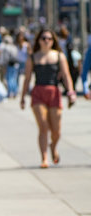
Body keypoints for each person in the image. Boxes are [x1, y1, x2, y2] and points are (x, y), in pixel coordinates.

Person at [20, 28, 76, 169]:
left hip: (54, 92)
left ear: (53, 41)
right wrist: (22, 97)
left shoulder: (59, 56)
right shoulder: (33, 57)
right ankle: (44, 158)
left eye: (49, 39)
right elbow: (27, 79)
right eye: (44, 38)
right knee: (43, 126)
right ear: (39, 40)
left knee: (56, 130)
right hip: (38, 92)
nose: (46, 41)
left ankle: (53, 146)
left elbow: (66, 75)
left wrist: (71, 92)